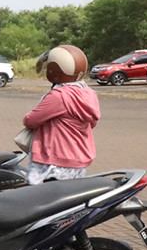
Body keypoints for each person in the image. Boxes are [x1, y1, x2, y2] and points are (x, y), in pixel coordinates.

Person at [22, 45, 100, 184]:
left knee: (41, 195)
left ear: (55, 69)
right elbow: (92, 123)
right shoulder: (89, 93)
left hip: (55, 160)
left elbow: (30, 120)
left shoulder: (59, 96)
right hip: (79, 159)